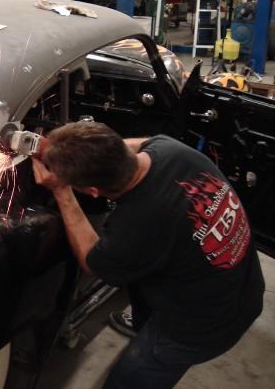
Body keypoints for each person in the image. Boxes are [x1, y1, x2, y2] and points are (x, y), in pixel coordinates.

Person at [32, 121, 265, 389]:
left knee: (132, 378)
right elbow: (133, 145)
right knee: (149, 289)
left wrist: (62, 191)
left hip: (202, 326)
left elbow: (92, 262)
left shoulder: (136, 226)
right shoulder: (171, 149)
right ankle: (144, 325)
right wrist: (64, 150)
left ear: (93, 191)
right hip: (244, 283)